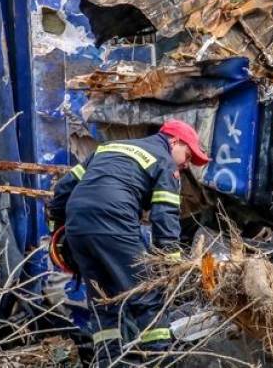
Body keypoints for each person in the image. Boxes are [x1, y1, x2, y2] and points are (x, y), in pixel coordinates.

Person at [46, 120, 210, 366]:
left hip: (77, 227)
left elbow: (63, 189)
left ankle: (108, 362)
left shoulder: (109, 148)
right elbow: (164, 216)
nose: (187, 165)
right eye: (188, 156)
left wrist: (58, 230)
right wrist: (171, 263)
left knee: (104, 303)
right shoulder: (164, 161)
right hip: (113, 222)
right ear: (174, 141)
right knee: (148, 295)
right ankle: (161, 360)